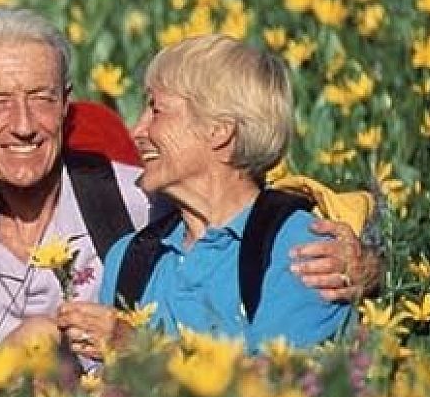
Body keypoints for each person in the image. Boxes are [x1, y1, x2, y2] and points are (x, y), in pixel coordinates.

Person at [0, 7, 373, 352]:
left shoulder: (137, 200)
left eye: (40, 99)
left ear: (66, 106)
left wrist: (367, 263)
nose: (24, 125)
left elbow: (253, 199)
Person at [58, 34, 357, 360]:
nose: (137, 132)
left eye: (157, 111)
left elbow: (281, 388)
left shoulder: (301, 248)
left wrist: (144, 353)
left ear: (219, 130)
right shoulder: (130, 259)